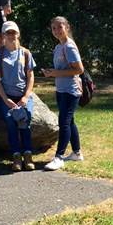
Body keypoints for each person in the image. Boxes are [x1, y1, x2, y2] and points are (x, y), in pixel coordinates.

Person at [0, 21, 36, 171]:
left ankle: (28, 155)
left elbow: (30, 76)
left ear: (18, 34)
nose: (11, 36)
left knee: (25, 121)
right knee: (10, 122)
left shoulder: (26, 53)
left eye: (13, 32)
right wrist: (6, 99)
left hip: (23, 95)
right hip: (6, 96)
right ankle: (16, 156)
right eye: (8, 33)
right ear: (3, 36)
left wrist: (26, 97)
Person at [42, 16, 85, 171]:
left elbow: (79, 69)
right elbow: (62, 69)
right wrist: (52, 73)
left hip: (70, 91)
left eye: (60, 27)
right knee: (70, 121)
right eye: (54, 28)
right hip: (61, 89)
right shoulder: (58, 47)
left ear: (67, 27)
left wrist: (55, 73)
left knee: (64, 122)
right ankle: (77, 153)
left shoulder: (69, 46)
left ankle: (59, 157)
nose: (57, 31)